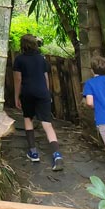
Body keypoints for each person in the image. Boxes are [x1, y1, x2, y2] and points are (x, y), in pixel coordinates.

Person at [13, 33, 63, 171]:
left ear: (22, 45)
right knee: (47, 124)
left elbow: (18, 79)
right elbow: (46, 77)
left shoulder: (19, 60)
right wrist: (46, 93)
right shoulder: (41, 59)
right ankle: (57, 155)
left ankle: (33, 152)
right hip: (42, 93)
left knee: (28, 119)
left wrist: (16, 96)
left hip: (27, 92)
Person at [83, 55, 105, 179]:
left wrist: (95, 106)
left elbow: (89, 102)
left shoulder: (90, 83)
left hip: (104, 118)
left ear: (92, 70)